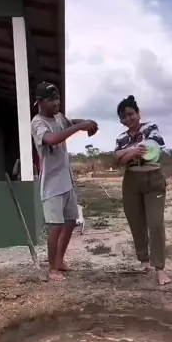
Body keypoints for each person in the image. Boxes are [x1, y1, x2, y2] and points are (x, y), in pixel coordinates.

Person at [31, 81, 98, 281]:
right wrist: (80, 127)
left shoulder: (58, 117)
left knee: (70, 222)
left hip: (66, 181)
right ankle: (52, 269)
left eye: (58, 98)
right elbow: (52, 139)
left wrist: (86, 122)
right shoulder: (38, 123)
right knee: (55, 227)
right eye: (52, 100)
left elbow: (69, 122)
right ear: (40, 102)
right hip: (51, 185)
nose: (56, 103)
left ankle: (60, 261)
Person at [114, 95, 170, 286]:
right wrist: (130, 152)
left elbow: (150, 149)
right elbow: (118, 162)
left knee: (155, 224)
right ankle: (143, 260)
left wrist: (124, 152)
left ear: (138, 114)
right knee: (136, 222)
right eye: (123, 116)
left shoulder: (150, 127)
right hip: (131, 180)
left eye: (130, 114)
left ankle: (160, 268)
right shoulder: (121, 138)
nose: (127, 119)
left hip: (153, 178)